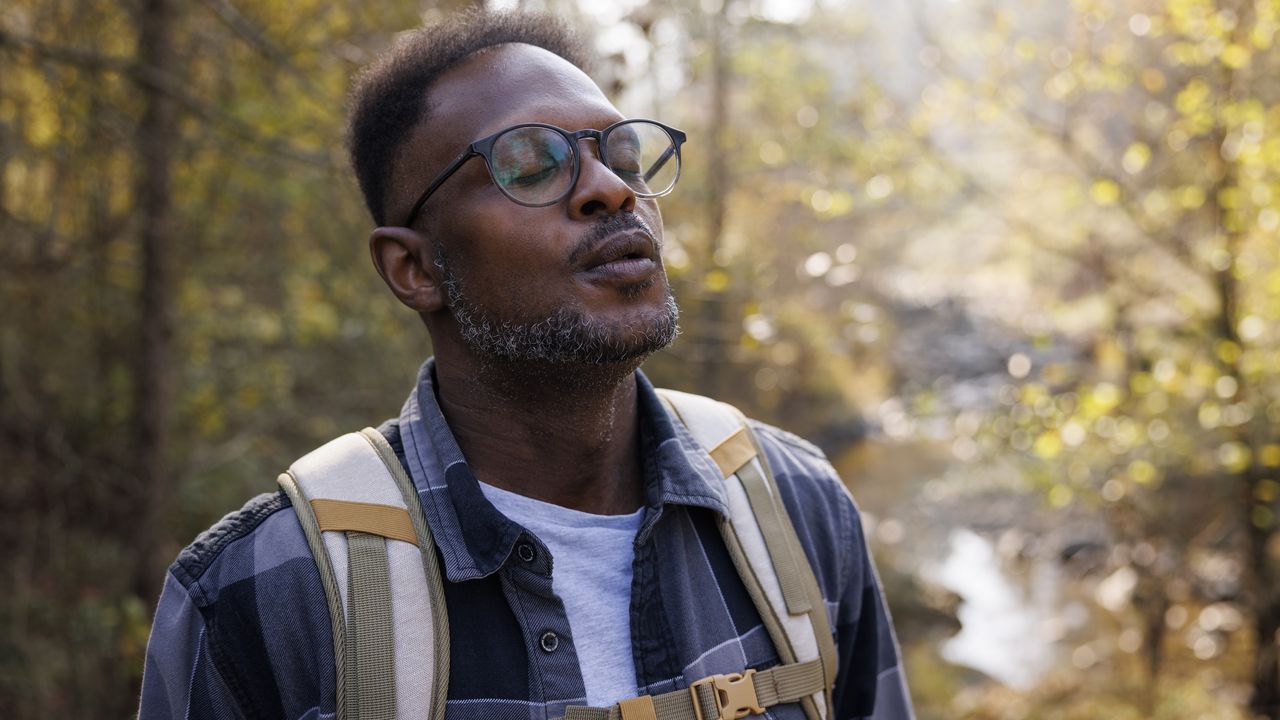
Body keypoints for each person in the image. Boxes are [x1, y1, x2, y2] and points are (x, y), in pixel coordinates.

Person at [138, 10, 913, 720]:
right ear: (416, 269)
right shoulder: (265, 595)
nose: (611, 191)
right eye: (532, 164)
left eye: (622, 155)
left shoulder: (794, 507)